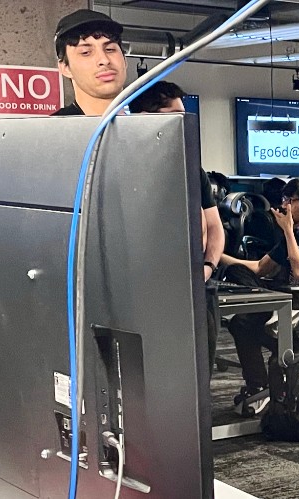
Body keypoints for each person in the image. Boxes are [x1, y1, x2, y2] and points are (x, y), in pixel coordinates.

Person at [128, 80, 228, 371]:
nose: (184, 124)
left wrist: (207, 267)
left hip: (197, 288)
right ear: (146, 119)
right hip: (148, 293)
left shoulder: (191, 167)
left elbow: (215, 227)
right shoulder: (124, 165)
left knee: (198, 371)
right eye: (175, 115)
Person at [219, 178, 299, 414]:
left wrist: (287, 231)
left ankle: (273, 394)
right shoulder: (292, 236)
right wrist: (214, 257)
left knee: (258, 332)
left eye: (290, 200)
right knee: (242, 323)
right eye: (284, 200)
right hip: (283, 304)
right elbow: (258, 268)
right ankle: (258, 387)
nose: (284, 205)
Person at [52, 9, 126, 117]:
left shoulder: (151, 126)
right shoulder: (50, 130)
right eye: (86, 52)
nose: (104, 60)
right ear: (65, 68)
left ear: (125, 59)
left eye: (110, 49)